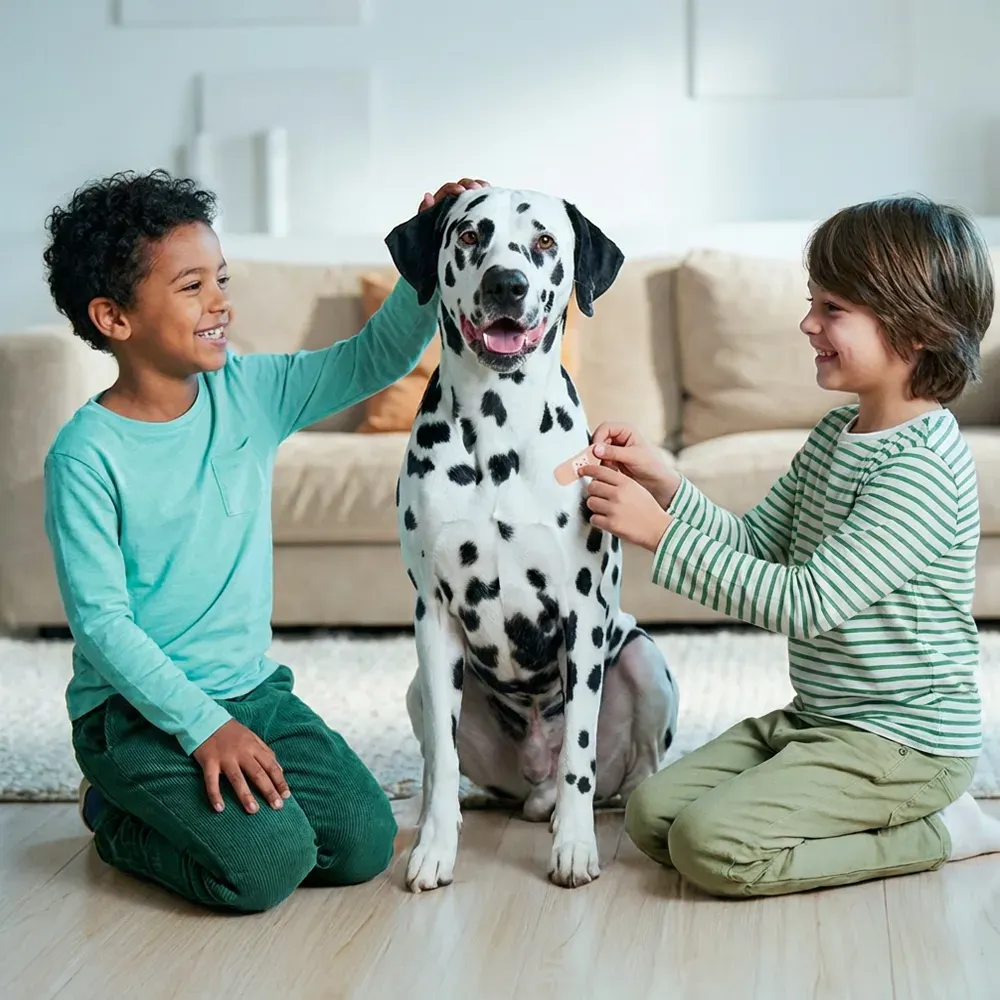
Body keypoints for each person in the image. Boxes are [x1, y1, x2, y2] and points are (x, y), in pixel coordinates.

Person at [42, 168, 486, 913]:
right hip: (134, 715)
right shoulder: (85, 455)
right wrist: (205, 727)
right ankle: (112, 817)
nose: (221, 302)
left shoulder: (248, 390)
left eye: (220, 278)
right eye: (192, 287)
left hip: (252, 693)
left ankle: (210, 803)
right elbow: (102, 624)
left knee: (361, 841)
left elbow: (373, 361)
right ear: (114, 318)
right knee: (265, 869)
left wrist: (429, 252)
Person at [579, 194, 1000, 898]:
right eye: (814, 302)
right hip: (823, 720)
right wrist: (667, 487)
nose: (808, 323)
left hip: (902, 744)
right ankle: (843, 808)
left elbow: (804, 601)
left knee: (711, 846)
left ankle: (939, 831)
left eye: (832, 308)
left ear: (916, 327)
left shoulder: (921, 469)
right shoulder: (838, 436)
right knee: (652, 816)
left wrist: (659, 537)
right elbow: (756, 544)